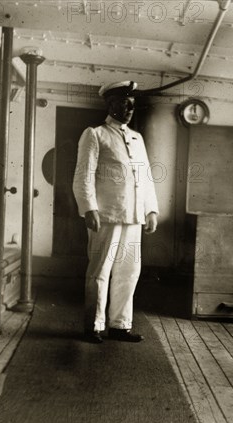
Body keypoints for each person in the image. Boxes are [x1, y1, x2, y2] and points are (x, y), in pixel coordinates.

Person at [72, 80, 159, 344]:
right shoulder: (95, 134)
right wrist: (89, 208)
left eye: (132, 102)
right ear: (110, 104)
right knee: (100, 271)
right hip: (107, 215)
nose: (130, 107)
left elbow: (146, 177)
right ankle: (94, 326)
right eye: (124, 101)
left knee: (129, 271)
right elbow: (83, 175)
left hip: (133, 216)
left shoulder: (137, 138)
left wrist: (151, 210)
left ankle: (121, 325)